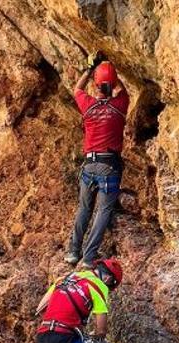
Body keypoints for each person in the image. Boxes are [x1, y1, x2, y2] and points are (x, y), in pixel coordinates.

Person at [64, 53, 130, 267]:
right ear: (112, 85)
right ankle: (89, 257)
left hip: (89, 165)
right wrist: (114, 76)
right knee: (103, 210)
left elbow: (77, 89)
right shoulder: (119, 106)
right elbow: (123, 91)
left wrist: (89, 70)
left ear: (96, 85)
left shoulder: (89, 106)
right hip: (109, 166)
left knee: (84, 208)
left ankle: (73, 252)